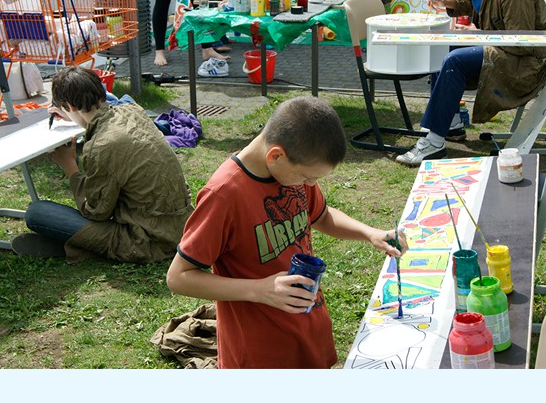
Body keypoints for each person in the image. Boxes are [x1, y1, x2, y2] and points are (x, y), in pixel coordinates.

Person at [166, 96, 408, 368]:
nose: (311, 184)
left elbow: (322, 216)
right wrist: (261, 289)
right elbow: (179, 277)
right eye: (307, 177)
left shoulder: (288, 171)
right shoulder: (224, 195)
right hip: (258, 354)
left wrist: (369, 233)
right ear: (276, 155)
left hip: (307, 330)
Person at [395, 0, 546, 166]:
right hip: (507, 49)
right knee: (443, 47)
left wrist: (479, 33)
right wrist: (450, 3)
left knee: (453, 60)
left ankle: (434, 142)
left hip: (523, 63)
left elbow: (520, 40)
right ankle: (451, 123)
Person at [16, 66, 194, 262]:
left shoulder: (102, 145)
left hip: (146, 241)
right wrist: (72, 114)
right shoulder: (132, 110)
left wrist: (69, 166)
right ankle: (78, 243)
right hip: (182, 228)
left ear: (70, 105)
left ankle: (78, 246)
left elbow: (96, 211)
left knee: (36, 213)